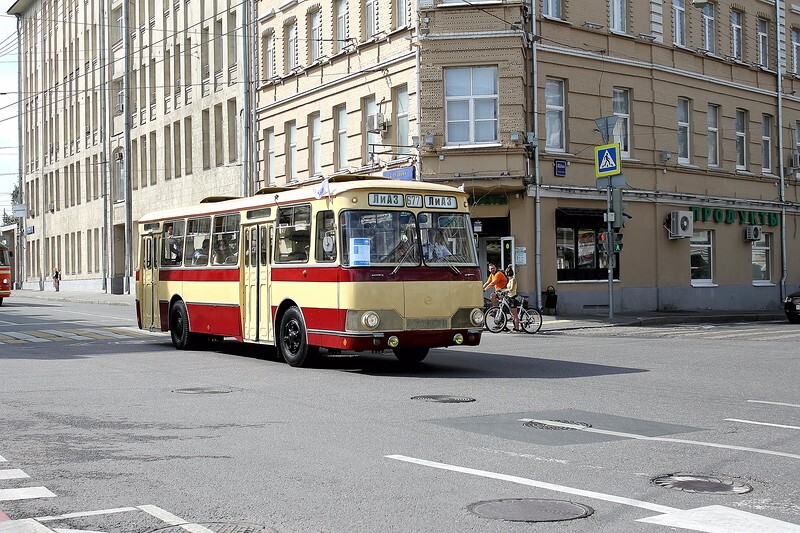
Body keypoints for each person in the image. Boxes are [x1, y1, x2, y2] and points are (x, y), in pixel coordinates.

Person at [503, 266, 522, 332]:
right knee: (512, 314)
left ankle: (517, 328)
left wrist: (504, 290)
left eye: (506, 272)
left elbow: (511, 289)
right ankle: (515, 327)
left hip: (513, 297)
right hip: (509, 297)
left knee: (515, 314)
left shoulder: (513, 280)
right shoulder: (510, 279)